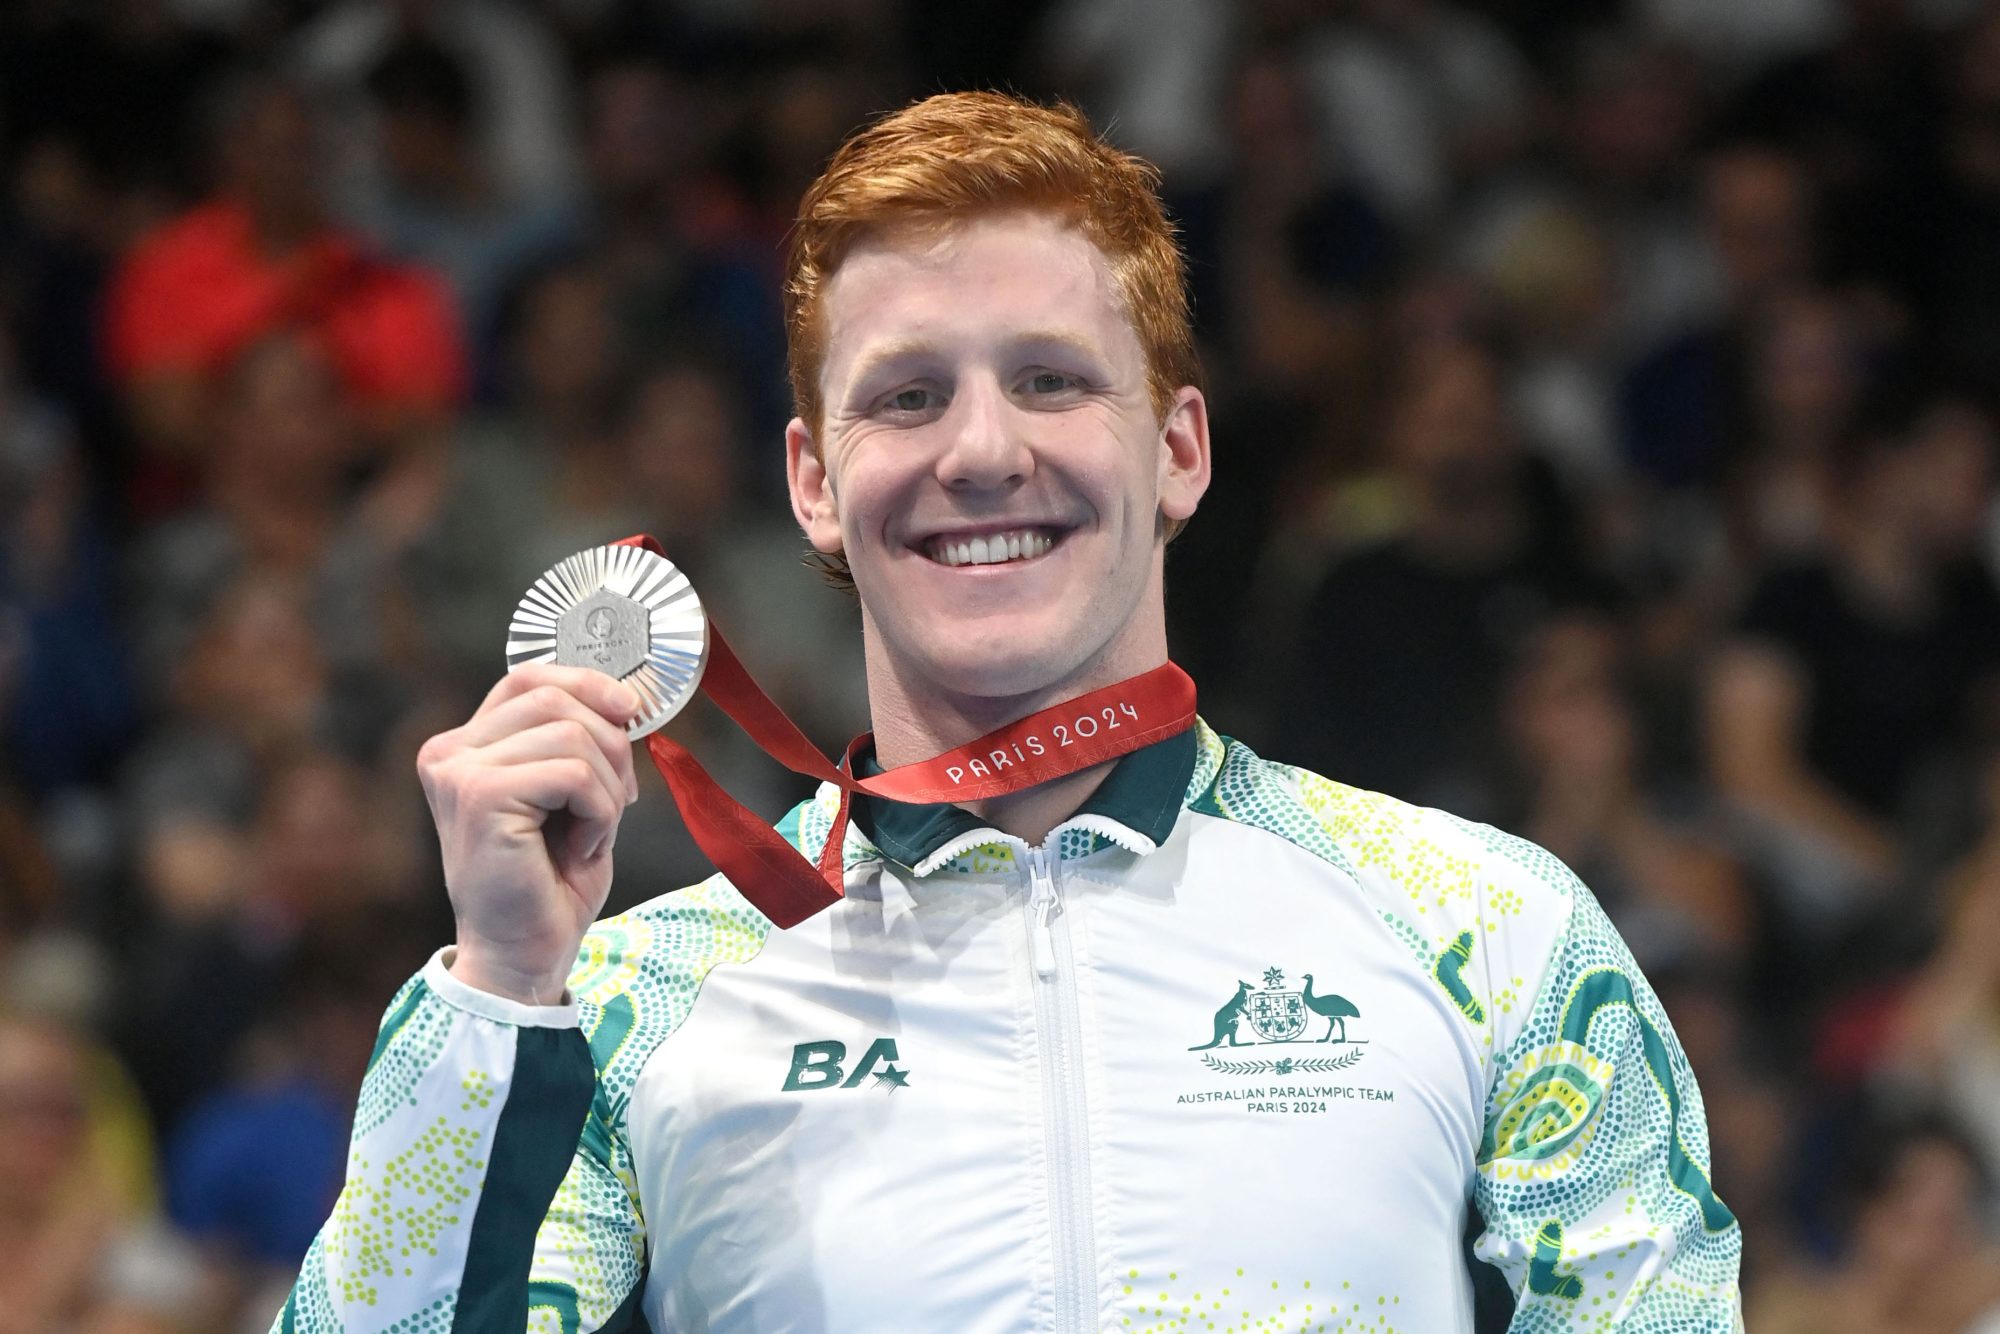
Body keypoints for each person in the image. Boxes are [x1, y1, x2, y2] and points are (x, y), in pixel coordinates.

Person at [275, 92, 1742, 1331]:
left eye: (1050, 380)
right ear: (812, 483)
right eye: (907, 397)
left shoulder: (1488, 926)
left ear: (1176, 447)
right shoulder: (633, 1003)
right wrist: (496, 998)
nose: (982, 451)